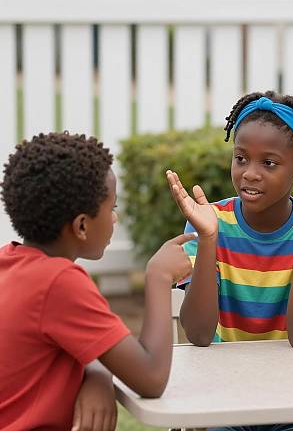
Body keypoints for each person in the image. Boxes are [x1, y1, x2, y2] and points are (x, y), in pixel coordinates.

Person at [167, 91, 293, 431]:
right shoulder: (208, 222)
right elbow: (198, 333)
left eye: (268, 163)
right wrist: (209, 240)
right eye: (241, 159)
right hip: (221, 399)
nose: (250, 173)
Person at [0, 132, 193, 431]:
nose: (115, 219)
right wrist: (158, 276)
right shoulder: (59, 282)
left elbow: (74, 344)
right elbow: (151, 377)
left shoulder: (9, 263)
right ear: (81, 226)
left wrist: (98, 373)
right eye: (112, 208)